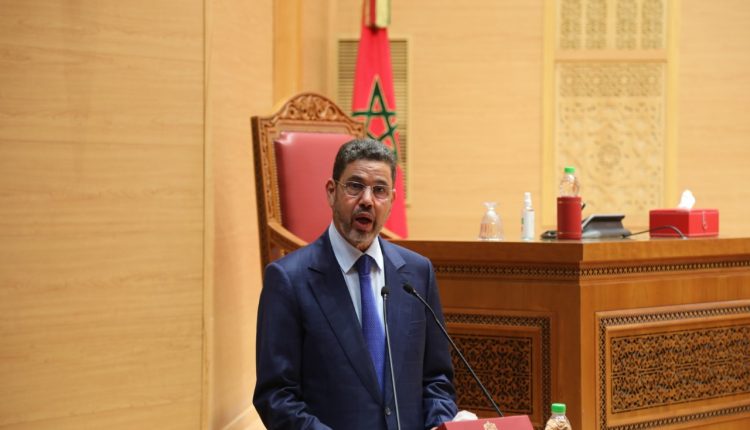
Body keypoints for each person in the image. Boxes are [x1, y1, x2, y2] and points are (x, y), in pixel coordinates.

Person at [253, 138, 458, 429]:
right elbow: (276, 396)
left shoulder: (417, 273)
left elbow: (437, 379)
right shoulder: (288, 280)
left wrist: (439, 423)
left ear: (392, 201)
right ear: (331, 192)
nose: (367, 200)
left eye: (379, 190)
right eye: (355, 186)